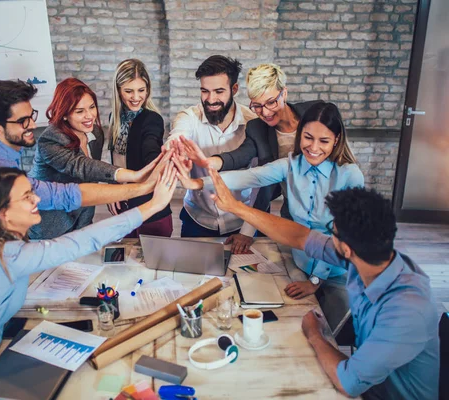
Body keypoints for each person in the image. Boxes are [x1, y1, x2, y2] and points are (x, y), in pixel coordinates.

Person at [0, 165, 178, 399]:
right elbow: (79, 242)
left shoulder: (4, 244)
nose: (37, 200)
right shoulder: (4, 255)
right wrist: (152, 206)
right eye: (27, 196)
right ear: (4, 214)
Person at [208, 170, 439, 400]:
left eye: (332, 232)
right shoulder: (372, 255)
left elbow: (348, 382)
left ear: (347, 249)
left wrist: (315, 334)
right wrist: (236, 207)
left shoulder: (407, 311)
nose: (329, 237)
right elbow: (301, 237)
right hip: (370, 383)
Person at [0, 79, 167, 297]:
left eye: (30, 115)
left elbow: (88, 171)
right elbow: (63, 192)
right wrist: (141, 187)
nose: (33, 123)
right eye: (23, 121)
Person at [176, 102, 364, 332]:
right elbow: (249, 177)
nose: (314, 147)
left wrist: (315, 281)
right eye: (307, 137)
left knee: (333, 331)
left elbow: (340, 238)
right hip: (298, 263)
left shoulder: (350, 175)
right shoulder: (290, 165)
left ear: (336, 140)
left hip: (336, 272)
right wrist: (196, 183)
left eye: (323, 141)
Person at [178, 63, 322, 222]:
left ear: (284, 93)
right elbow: (240, 159)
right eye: (257, 105)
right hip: (294, 211)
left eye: (271, 102)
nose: (265, 112)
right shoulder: (257, 128)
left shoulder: (317, 113)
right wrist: (205, 163)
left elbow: (341, 152)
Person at [28, 77, 162, 239]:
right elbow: (83, 167)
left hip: (83, 219)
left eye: (92, 107)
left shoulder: (95, 133)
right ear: (64, 114)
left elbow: (93, 172)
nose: (89, 115)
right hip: (50, 226)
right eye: (79, 111)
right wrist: (133, 176)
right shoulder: (50, 139)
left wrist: (113, 187)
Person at [165, 55, 258, 253]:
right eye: (205, 91)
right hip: (198, 220)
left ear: (234, 89)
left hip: (243, 222)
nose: (211, 99)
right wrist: (175, 149)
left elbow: (261, 181)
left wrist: (248, 230)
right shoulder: (189, 117)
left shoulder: (253, 123)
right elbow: (178, 134)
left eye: (219, 91)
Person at [107, 59, 172, 237]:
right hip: (123, 206)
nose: (136, 97)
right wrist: (112, 190)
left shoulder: (152, 119)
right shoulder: (115, 118)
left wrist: (158, 161)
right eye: (129, 91)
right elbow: (115, 161)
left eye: (141, 90)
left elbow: (150, 145)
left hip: (151, 209)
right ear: (118, 90)